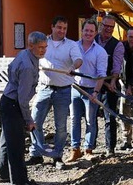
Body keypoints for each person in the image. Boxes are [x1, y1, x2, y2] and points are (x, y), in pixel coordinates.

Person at [27, 16, 83, 170]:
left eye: (64, 28)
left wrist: (73, 67)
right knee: (35, 122)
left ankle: (57, 156)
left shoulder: (71, 45)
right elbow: (32, 55)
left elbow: (78, 59)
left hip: (63, 91)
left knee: (61, 127)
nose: (62, 31)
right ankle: (36, 154)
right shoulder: (43, 41)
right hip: (44, 88)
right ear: (52, 27)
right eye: (59, 27)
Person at [0, 31, 48, 185]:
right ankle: (21, 181)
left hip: (7, 101)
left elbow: (9, 68)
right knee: (17, 145)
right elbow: (23, 99)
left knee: (7, 140)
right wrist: (29, 120)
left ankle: (4, 173)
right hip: (13, 104)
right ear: (31, 45)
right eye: (40, 47)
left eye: (45, 47)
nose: (43, 50)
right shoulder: (27, 67)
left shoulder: (25, 55)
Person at [68, 19, 107, 162]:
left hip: (91, 90)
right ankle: (75, 149)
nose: (88, 33)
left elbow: (101, 74)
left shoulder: (100, 52)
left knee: (90, 121)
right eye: (86, 30)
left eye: (91, 31)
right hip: (75, 88)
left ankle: (88, 149)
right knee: (74, 120)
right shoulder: (73, 47)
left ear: (95, 33)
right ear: (82, 31)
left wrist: (96, 92)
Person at [96, 15, 125, 156]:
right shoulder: (92, 41)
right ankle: (90, 147)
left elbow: (117, 65)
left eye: (111, 27)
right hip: (92, 83)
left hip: (109, 84)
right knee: (91, 116)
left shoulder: (117, 45)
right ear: (101, 25)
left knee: (110, 116)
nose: (108, 29)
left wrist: (113, 82)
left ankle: (110, 148)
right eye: (106, 26)